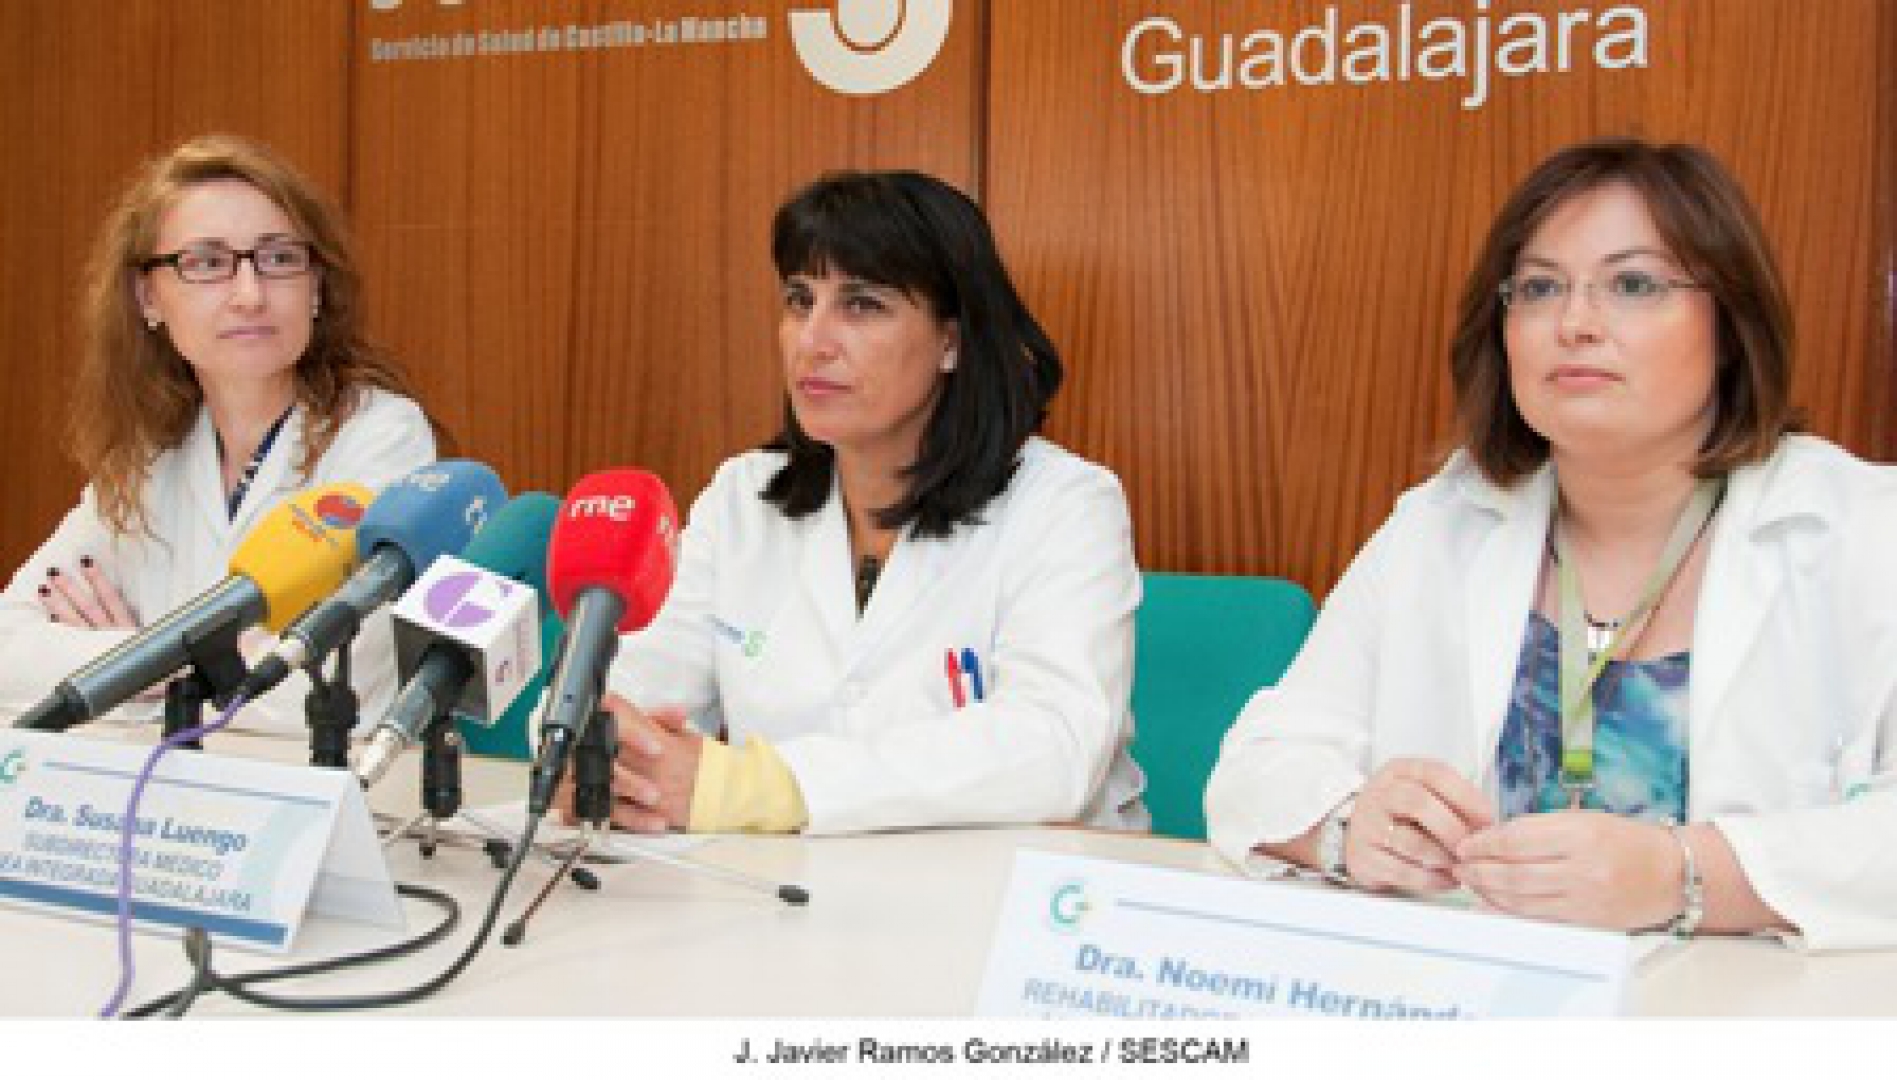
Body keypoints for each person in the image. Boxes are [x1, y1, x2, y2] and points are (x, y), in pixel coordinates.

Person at [1205, 138, 1897, 951]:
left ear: (1728, 326)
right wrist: (1347, 825)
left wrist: (1684, 874)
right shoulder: (1443, 522)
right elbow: (1254, 768)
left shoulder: (1862, 529)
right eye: (1538, 288)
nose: (1574, 324)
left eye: (1632, 285)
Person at [589, 170, 1146, 835]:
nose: (812, 340)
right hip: (785, 883)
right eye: (799, 300)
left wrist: (764, 789)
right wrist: (600, 759)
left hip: (1007, 888)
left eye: (861, 305)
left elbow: (1053, 748)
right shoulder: (742, 498)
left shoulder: (1065, 505)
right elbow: (632, 691)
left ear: (951, 341)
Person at [0, 134, 439, 733]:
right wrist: (184, 665)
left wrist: (131, 666)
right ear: (148, 297)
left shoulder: (380, 438)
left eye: (278, 258)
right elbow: (9, 649)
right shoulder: (148, 454)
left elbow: (328, 690)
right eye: (207, 264)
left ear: (315, 287)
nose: (249, 295)